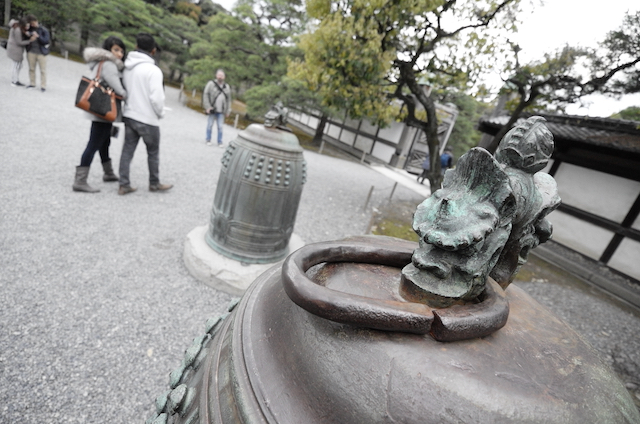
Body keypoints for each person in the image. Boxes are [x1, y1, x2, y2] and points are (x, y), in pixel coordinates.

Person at [118, 33, 172, 195]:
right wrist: (160, 113)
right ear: (153, 51)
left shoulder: (128, 67)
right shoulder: (153, 70)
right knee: (153, 152)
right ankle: (154, 183)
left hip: (130, 114)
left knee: (127, 151)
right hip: (147, 118)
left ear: (136, 47)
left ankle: (124, 184)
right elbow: (157, 98)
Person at [72, 36, 128, 193]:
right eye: (116, 50)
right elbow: (118, 88)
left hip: (100, 110)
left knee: (104, 142)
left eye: (121, 51)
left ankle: (108, 173)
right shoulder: (109, 65)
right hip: (103, 111)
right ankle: (80, 181)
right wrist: (127, 95)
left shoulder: (101, 62)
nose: (119, 54)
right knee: (94, 144)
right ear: (108, 50)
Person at [203, 69, 231, 147]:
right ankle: (208, 139)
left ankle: (220, 142)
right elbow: (205, 95)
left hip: (221, 110)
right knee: (210, 125)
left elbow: (228, 99)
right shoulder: (211, 84)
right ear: (216, 75)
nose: (220, 77)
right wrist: (207, 107)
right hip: (212, 109)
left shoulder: (227, 87)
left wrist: (228, 110)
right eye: (219, 75)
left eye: (221, 76)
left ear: (224, 77)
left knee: (220, 127)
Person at [6, 18, 37, 87]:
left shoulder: (19, 28)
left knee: (18, 65)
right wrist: (30, 41)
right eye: (26, 26)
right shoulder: (17, 30)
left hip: (16, 49)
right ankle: (14, 81)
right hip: (15, 49)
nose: (27, 27)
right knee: (16, 65)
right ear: (22, 25)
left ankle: (16, 79)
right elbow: (19, 42)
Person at [25, 14, 50, 92]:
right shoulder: (29, 29)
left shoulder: (44, 30)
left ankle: (43, 86)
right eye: (31, 24)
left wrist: (38, 37)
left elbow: (46, 41)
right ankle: (32, 83)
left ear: (36, 21)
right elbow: (26, 39)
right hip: (31, 51)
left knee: (43, 70)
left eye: (33, 23)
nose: (32, 25)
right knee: (31, 69)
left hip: (41, 53)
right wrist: (28, 35)